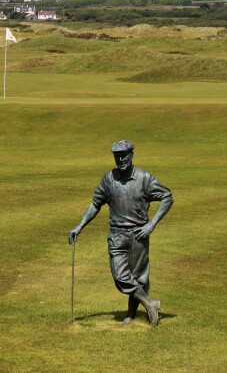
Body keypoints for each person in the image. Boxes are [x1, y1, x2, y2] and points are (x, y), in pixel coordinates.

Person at [68, 140, 174, 326]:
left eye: (124, 155)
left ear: (132, 155)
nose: (121, 159)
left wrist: (152, 224)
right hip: (116, 234)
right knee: (120, 276)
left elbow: (167, 197)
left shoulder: (144, 178)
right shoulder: (109, 179)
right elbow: (95, 204)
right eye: (117, 156)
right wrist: (80, 225)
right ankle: (150, 304)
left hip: (138, 234)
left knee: (138, 275)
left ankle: (130, 315)